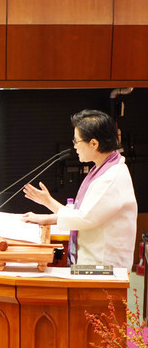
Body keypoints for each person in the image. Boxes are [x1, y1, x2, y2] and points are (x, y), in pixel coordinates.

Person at [23, 109, 137, 269]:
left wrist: (48, 202)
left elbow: (84, 218)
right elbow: (86, 212)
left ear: (94, 144)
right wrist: (48, 215)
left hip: (104, 267)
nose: (74, 146)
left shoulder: (111, 177)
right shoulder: (103, 168)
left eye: (77, 141)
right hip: (96, 261)